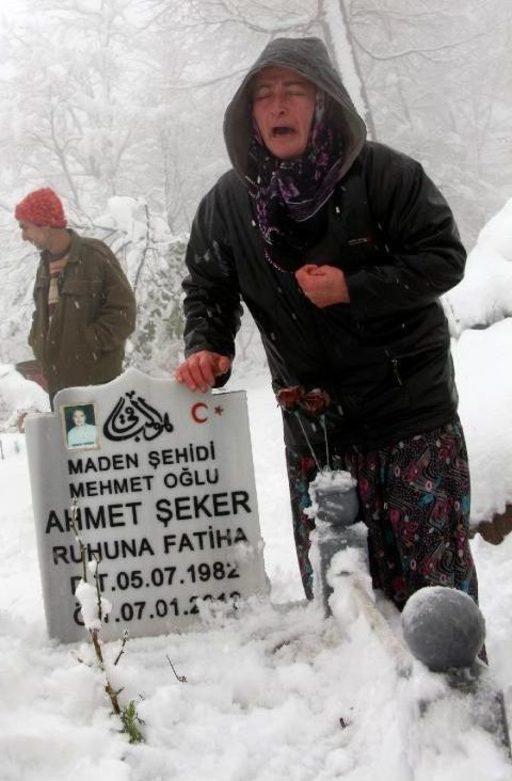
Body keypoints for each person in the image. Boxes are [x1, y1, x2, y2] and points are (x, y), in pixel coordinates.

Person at [175, 37, 478, 611]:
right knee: (343, 599)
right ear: (250, 113)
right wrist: (208, 345)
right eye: (264, 95)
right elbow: (208, 285)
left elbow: (444, 258)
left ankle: (454, 700)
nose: (278, 105)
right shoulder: (229, 203)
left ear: (324, 103)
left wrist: (352, 288)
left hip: (411, 419)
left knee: (434, 597)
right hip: (315, 430)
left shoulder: (385, 174)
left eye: (294, 91)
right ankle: (356, 703)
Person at [15, 187, 136, 404]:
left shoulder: (95, 256)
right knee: (72, 439)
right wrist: (38, 342)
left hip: (97, 390)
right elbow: (41, 315)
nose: (23, 236)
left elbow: (124, 312)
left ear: (45, 223)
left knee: (94, 439)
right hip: (60, 391)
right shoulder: (44, 267)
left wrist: (88, 344)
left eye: (25, 227)